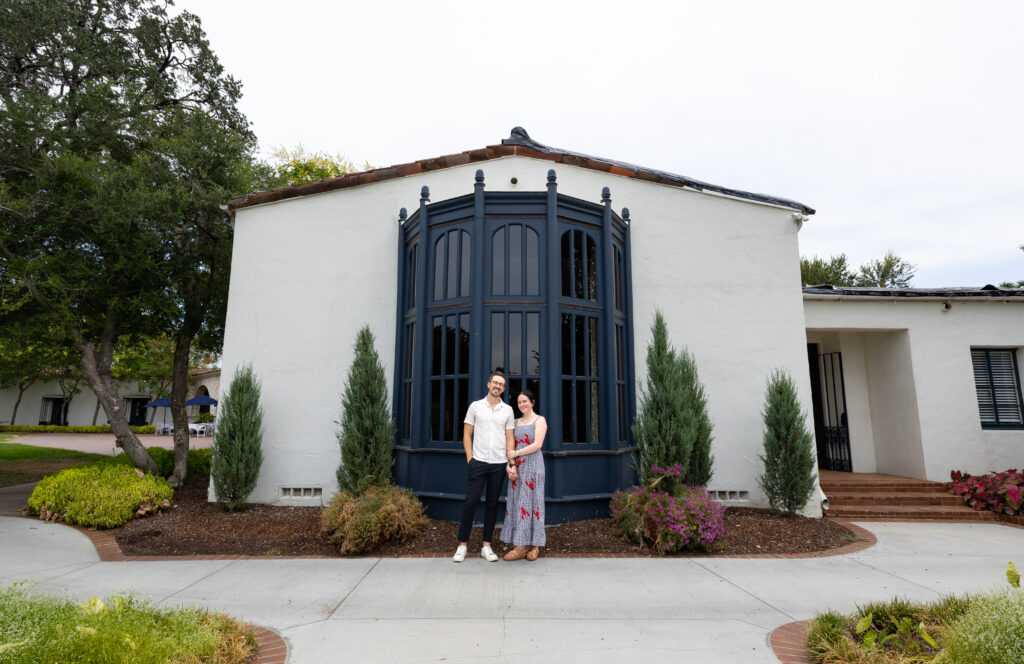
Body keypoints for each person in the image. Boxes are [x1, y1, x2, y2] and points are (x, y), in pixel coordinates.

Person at [453, 371, 515, 563]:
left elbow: (510, 438)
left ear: (503, 388)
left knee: (492, 504)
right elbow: (466, 435)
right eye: (495, 382)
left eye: (501, 384)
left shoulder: (508, 410)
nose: (498, 386)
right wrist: (470, 458)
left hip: (499, 464)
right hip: (478, 462)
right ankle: (462, 545)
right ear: (489, 384)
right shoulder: (476, 406)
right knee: (470, 502)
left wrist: (510, 462)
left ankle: (486, 546)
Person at [500, 389, 546, 561]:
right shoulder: (515, 422)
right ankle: (520, 546)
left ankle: (535, 546)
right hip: (517, 468)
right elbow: (509, 446)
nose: (522, 404)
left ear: (532, 402)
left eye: (525, 401)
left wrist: (516, 454)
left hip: (533, 467)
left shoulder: (540, 420)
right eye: (519, 402)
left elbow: (537, 444)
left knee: (534, 503)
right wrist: (510, 465)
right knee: (518, 504)